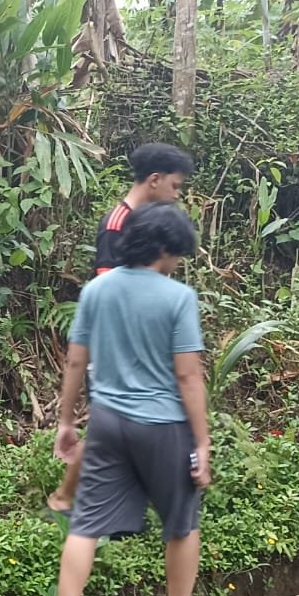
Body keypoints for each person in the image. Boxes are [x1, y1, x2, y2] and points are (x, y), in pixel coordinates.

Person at [35, 203, 219, 596]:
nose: (177, 262)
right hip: (164, 427)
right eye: (177, 253)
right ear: (163, 248)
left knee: (86, 523)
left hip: (108, 422)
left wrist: (65, 420)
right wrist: (201, 442)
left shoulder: (98, 288)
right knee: (181, 522)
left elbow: (76, 361)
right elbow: (188, 377)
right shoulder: (178, 298)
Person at [48, 143, 196, 513]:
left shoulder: (145, 221)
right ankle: (66, 498)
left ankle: (94, 502)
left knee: (111, 428)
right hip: (117, 349)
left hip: (139, 347)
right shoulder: (118, 224)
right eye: (175, 187)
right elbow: (111, 289)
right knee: (105, 428)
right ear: (154, 180)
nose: (176, 196)